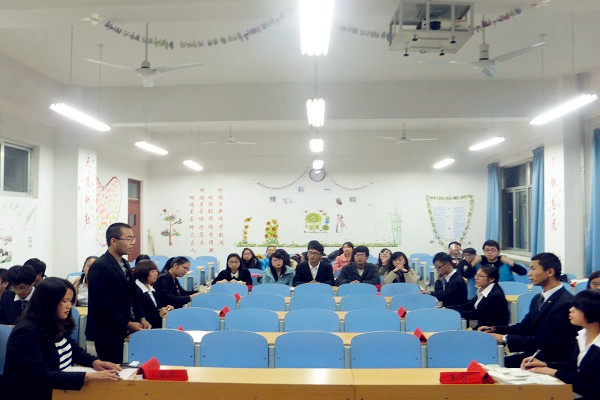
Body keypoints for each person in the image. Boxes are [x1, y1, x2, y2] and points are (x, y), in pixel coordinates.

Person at [3, 278, 122, 400]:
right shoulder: (26, 332)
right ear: (49, 302)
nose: (69, 306)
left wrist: (94, 362)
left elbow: (72, 348)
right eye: (65, 301)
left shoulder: (54, 322)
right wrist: (87, 376)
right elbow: (39, 376)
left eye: (71, 301)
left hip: (58, 391)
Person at [478, 252, 578, 367]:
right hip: (534, 355)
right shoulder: (538, 298)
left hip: (551, 361)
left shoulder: (566, 303)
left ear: (550, 272)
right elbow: (524, 327)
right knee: (486, 363)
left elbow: (551, 342)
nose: (529, 273)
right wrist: (494, 329)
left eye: (533, 269)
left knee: (493, 365)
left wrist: (504, 338)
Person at [86, 222, 150, 364]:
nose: (132, 242)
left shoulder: (125, 263)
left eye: (133, 238)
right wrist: (127, 323)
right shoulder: (100, 266)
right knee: (113, 368)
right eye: (128, 238)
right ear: (113, 241)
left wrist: (141, 317)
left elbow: (133, 294)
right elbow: (102, 303)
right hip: (107, 330)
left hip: (124, 326)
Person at [521, 289, 600, 400]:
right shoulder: (581, 336)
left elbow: (593, 388)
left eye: (577, 308)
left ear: (592, 312)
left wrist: (555, 373)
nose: (570, 310)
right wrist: (545, 364)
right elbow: (574, 367)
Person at [133, 260, 173, 328]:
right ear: (143, 272)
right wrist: (159, 314)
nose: (156, 274)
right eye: (152, 271)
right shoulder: (136, 290)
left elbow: (155, 309)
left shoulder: (151, 288)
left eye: (156, 271)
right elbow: (139, 317)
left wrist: (165, 309)